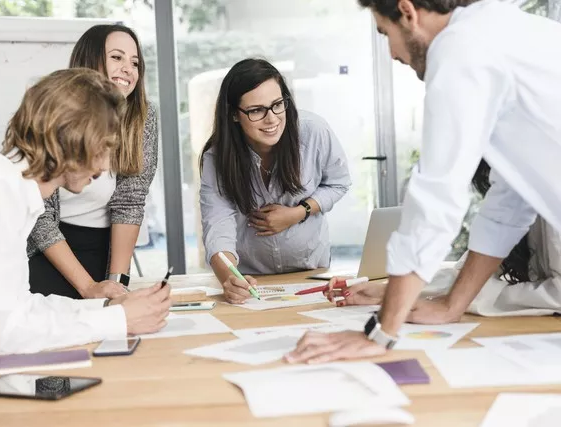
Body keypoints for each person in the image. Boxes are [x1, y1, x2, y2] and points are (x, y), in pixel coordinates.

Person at [285, 0, 561, 364]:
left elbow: (435, 199)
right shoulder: (510, 34)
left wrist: (381, 333)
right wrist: (451, 305)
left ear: (408, 12)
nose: (393, 54)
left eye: (386, 34)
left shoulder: (461, 49)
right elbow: (510, 202)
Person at [0, 68, 170, 366]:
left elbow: (20, 308)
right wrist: (118, 320)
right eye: (104, 148)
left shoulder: (5, 187)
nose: (105, 165)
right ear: (72, 138)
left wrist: (109, 308)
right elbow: (5, 333)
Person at [323, 160, 561, 320]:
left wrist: (460, 302)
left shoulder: (548, 183)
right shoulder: (511, 192)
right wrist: (391, 292)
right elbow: (467, 275)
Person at [199, 58, 351, 304]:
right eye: (256, 110)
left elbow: (338, 183)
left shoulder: (313, 131)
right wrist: (229, 278)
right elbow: (217, 225)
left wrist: (298, 212)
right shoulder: (217, 158)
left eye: (277, 105)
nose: (272, 119)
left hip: (311, 274)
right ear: (234, 115)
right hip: (253, 279)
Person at [28, 24, 158, 300]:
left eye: (135, 62)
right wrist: (86, 286)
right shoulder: (55, 112)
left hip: (105, 250)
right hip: (47, 251)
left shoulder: (142, 117)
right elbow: (38, 213)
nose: (128, 69)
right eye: (117, 57)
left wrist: (116, 282)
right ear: (90, 61)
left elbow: (130, 200)